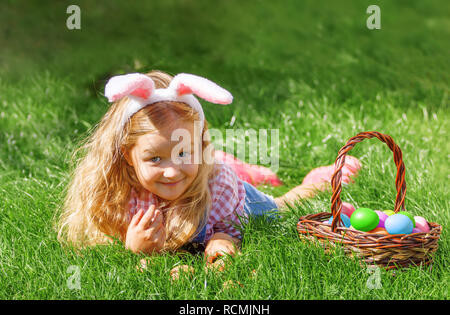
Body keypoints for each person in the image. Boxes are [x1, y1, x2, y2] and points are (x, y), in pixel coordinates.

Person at [57, 70, 360, 263]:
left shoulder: (221, 189)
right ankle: (241, 164)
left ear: (200, 146)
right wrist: (134, 246)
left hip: (230, 191)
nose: (172, 171)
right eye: (154, 159)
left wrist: (221, 242)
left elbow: (228, 231)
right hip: (206, 169)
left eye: (183, 153)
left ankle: (313, 182)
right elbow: (104, 241)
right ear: (127, 155)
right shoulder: (120, 195)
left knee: (278, 206)